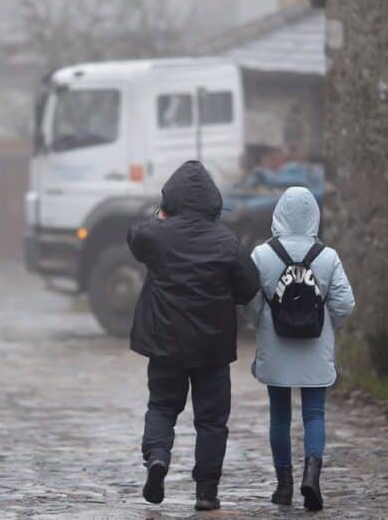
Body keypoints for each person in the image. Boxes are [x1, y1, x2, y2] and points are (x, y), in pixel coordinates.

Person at [127, 160, 260, 512]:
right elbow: (249, 288)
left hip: (165, 343)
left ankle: (158, 458)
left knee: (161, 406)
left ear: (170, 199)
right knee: (212, 420)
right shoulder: (227, 242)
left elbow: (135, 235)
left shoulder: (155, 235)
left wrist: (160, 216)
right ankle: (206, 492)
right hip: (212, 349)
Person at [244, 187, 355, 512]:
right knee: (314, 413)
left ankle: (283, 485)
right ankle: (312, 476)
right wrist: (326, 328)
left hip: (275, 348)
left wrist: (262, 323)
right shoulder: (328, 257)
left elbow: (249, 301)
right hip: (314, 347)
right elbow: (345, 303)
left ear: (279, 213)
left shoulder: (261, 255)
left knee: (279, 416)